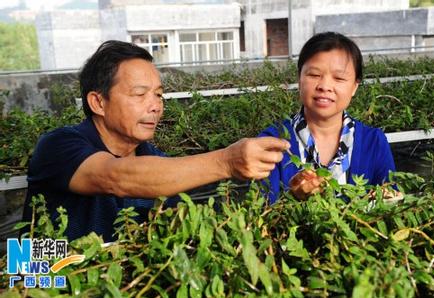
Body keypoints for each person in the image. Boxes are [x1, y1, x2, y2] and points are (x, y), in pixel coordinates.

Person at [22, 40, 290, 242]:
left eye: (159, 95)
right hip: (46, 282)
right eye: (140, 94)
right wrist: (227, 161)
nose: (155, 106)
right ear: (98, 102)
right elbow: (115, 177)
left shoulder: (157, 163)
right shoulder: (58, 146)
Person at [259, 32, 396, 204]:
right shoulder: (271, 142)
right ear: (299, 79)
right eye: (314, 75)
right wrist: (293, 199)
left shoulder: (374, 142)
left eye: (339, 78)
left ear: (354, 87)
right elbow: (261, 215)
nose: (324, 86)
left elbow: (390, 204)